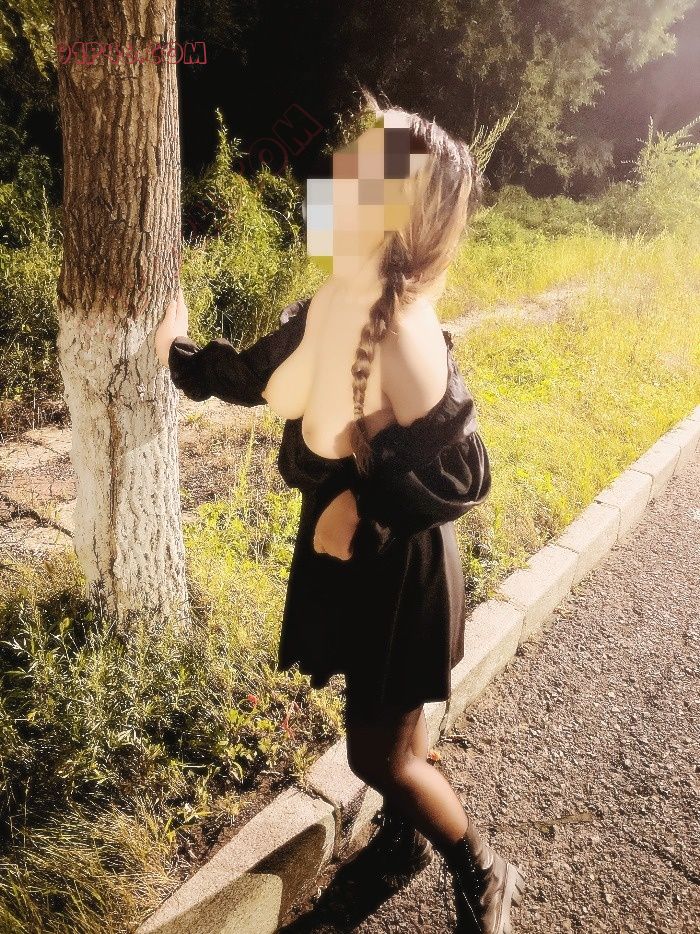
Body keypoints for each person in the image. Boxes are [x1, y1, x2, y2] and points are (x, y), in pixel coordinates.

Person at [155, 90, 525, 933]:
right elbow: (254, 377)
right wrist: (178, 348)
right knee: (392, 727)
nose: (336, 179)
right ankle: (403, 842)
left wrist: (363, 504)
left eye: (362, 173)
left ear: (397, 216)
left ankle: (484, 868)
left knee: (376, 753)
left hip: (401, 564)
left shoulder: (403, 330)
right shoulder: (339, 299)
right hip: (363, 557)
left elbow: (467, 469)